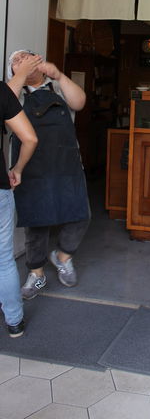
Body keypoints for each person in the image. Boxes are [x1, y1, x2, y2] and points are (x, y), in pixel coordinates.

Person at [7, 50, 91, 300]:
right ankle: (36, 273)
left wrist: (59, 75)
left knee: (80, 215)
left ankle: (63, 256)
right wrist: (20, 75)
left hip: (66, 164)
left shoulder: (57, 87)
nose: (24, 61)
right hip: (31, 167)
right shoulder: (15, 93)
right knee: (36, 223)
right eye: (17, 61)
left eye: (28, 57)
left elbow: (80, 102)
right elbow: (4, 104)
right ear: (12, 71)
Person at [0, 81, 38, 337]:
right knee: (3, 260)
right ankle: (14, 322)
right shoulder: (1, 91)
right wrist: (18, 169)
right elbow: (30, 138)